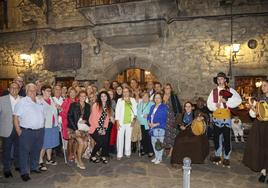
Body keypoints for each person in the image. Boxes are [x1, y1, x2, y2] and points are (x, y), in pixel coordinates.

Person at [207, 72, 242, 168]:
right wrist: (215, 106)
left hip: (226, 118)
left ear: (225, 80)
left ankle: (226, 157)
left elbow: (239, 100)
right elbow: (209, 104)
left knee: (226, 138)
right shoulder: (213, 91)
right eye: (218, 79)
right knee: (217, 138)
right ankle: (218, 155)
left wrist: (227, 101)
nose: (220, 81)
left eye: (221, 79)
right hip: (216, 118)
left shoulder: (230, 90)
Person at [13, 83, 45, 181]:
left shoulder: (39, 101)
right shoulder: (22, 102)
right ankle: (24, 172)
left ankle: (34, 167)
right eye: (30, 90)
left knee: (36, 150)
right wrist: (18, 130)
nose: (33, 92)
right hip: (27, 132)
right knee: (24, 152)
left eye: (34, 90)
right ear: (26, 91)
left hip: (39, 131)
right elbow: (15, 117)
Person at [243, 79, 268, 184]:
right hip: (259, 126)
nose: (263, 87)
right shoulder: (259, 98)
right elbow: (254, 115)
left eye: (265, 85)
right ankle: (263, 172)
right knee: (260, 149)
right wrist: (252, 108)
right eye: (262, 86)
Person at [171, 102, 209, 166]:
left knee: (198, 141)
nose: (188, 108)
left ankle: (197, 159)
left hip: (194, 131)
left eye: (189, 106)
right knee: (179, 141)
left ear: (192, 107)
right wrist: (180, 126)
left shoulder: (196, 113)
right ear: (184, 108)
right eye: (186, 106)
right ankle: (177, 160)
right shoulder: (181, 115)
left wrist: (202, 118)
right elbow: (176, 124)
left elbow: (206, 116)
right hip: (184, 132)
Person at [0, 82, 21, 178]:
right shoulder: (1, 100)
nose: (14, 90)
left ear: (19, 89)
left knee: (18, 148)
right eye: (12, 88)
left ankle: (17, 165)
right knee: (6, 150)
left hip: (20, 128)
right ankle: (7, 169)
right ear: (8, 89)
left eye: (16, 88)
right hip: (7, 128)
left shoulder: (23, 100)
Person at [38, 85, 60, 171]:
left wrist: (58, 108)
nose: (49, 92)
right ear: (43, 91)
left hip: (53, 125)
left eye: (50, 91)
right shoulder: (39, 101)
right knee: (44, 144)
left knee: (50, 143)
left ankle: (49, 159)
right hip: (45, 126)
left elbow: (55, 111)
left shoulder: (52, 100)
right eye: (47, 91)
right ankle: (40, 161)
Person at [67, 91, 90, 169]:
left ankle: (77, 157)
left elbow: (89, 118)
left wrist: (86, 121)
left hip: (83, 128)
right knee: (81, 142)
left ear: (86, 97)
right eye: (81, 96)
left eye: (84, 96)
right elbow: (69, 117)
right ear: (78, 97)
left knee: (86, 144)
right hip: (73, 128)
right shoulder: (73, 105)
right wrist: (75, 129)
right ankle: (79, 161)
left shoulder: (88, 106)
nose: (82, 97)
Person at [89, 91, 113, 164]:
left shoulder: (107, 106)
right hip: (94, 127)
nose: (103, 98)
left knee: (105, 141)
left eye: (105, 96)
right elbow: (95, 119)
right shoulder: (96, 105)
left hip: (103, 128)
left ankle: (103, 156)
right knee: (100, 142)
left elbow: (106, 119)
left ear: (107, 97)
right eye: (102, 96)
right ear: (99, 97)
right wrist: (99, 129)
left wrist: (104, 128)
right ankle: (92, 156)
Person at [115, 87, 137, 160]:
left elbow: (135, 110)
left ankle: (128, 152)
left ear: (129, 92)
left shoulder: (133, 100)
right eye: (124, 92)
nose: (125, 93)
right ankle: (119, 154)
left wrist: (134, 120)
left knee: (128, 137)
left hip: (130, 122)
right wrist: (117, 122)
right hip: (121, 122)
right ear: (122, 93)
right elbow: (117, 111)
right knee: (120, 138)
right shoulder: (119, 100)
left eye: (126, 91)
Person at [147, 92, 168, 164]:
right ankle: (156, 156)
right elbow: (149, 116)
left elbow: (164, 118)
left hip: (159, 128)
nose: (157, 99)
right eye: (156, 98)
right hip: (152, 128)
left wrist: (155, 124)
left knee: (159, 144)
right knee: (153, 143)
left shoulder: (164, 107)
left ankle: (159, 158)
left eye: (158, 98)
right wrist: (149, 123)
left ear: (161, 99)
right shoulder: (152, 106)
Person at [163, 83, 182, 157]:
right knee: (165, 135)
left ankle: (171, 152)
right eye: (165, 88)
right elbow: (160, 107)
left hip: (172, 119)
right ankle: (164, 150)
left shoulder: (174, 97)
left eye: (168, 88)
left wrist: (177, 120)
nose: (167, 90)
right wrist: (164, 101)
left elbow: (178, 108)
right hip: (164, 119)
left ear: (171, 89)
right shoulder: (162, 96)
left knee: (173, 136)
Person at [59, 87, 77, 162]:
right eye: (71, 92)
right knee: (71, 139)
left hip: (76, 123)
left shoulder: (77, 101)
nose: (72, 94)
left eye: (74, 92)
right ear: (69, 94)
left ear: (76, 93)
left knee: (75, 139)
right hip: (68, 123)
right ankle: (70, 154)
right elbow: (62, 112)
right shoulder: (66, 101)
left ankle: (74, 154)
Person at [137, 92, 154, 157]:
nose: (145, 98)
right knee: (143, 138)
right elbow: (138, 112)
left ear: (149, 97)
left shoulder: (151, 104)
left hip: (148, 124)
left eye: (146, 96)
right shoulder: (140, 104)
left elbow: (153, 113)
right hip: (141, 124)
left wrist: (148, 115)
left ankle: (150, 151)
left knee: (149, 138)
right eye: (143, 96)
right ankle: (144, 150)